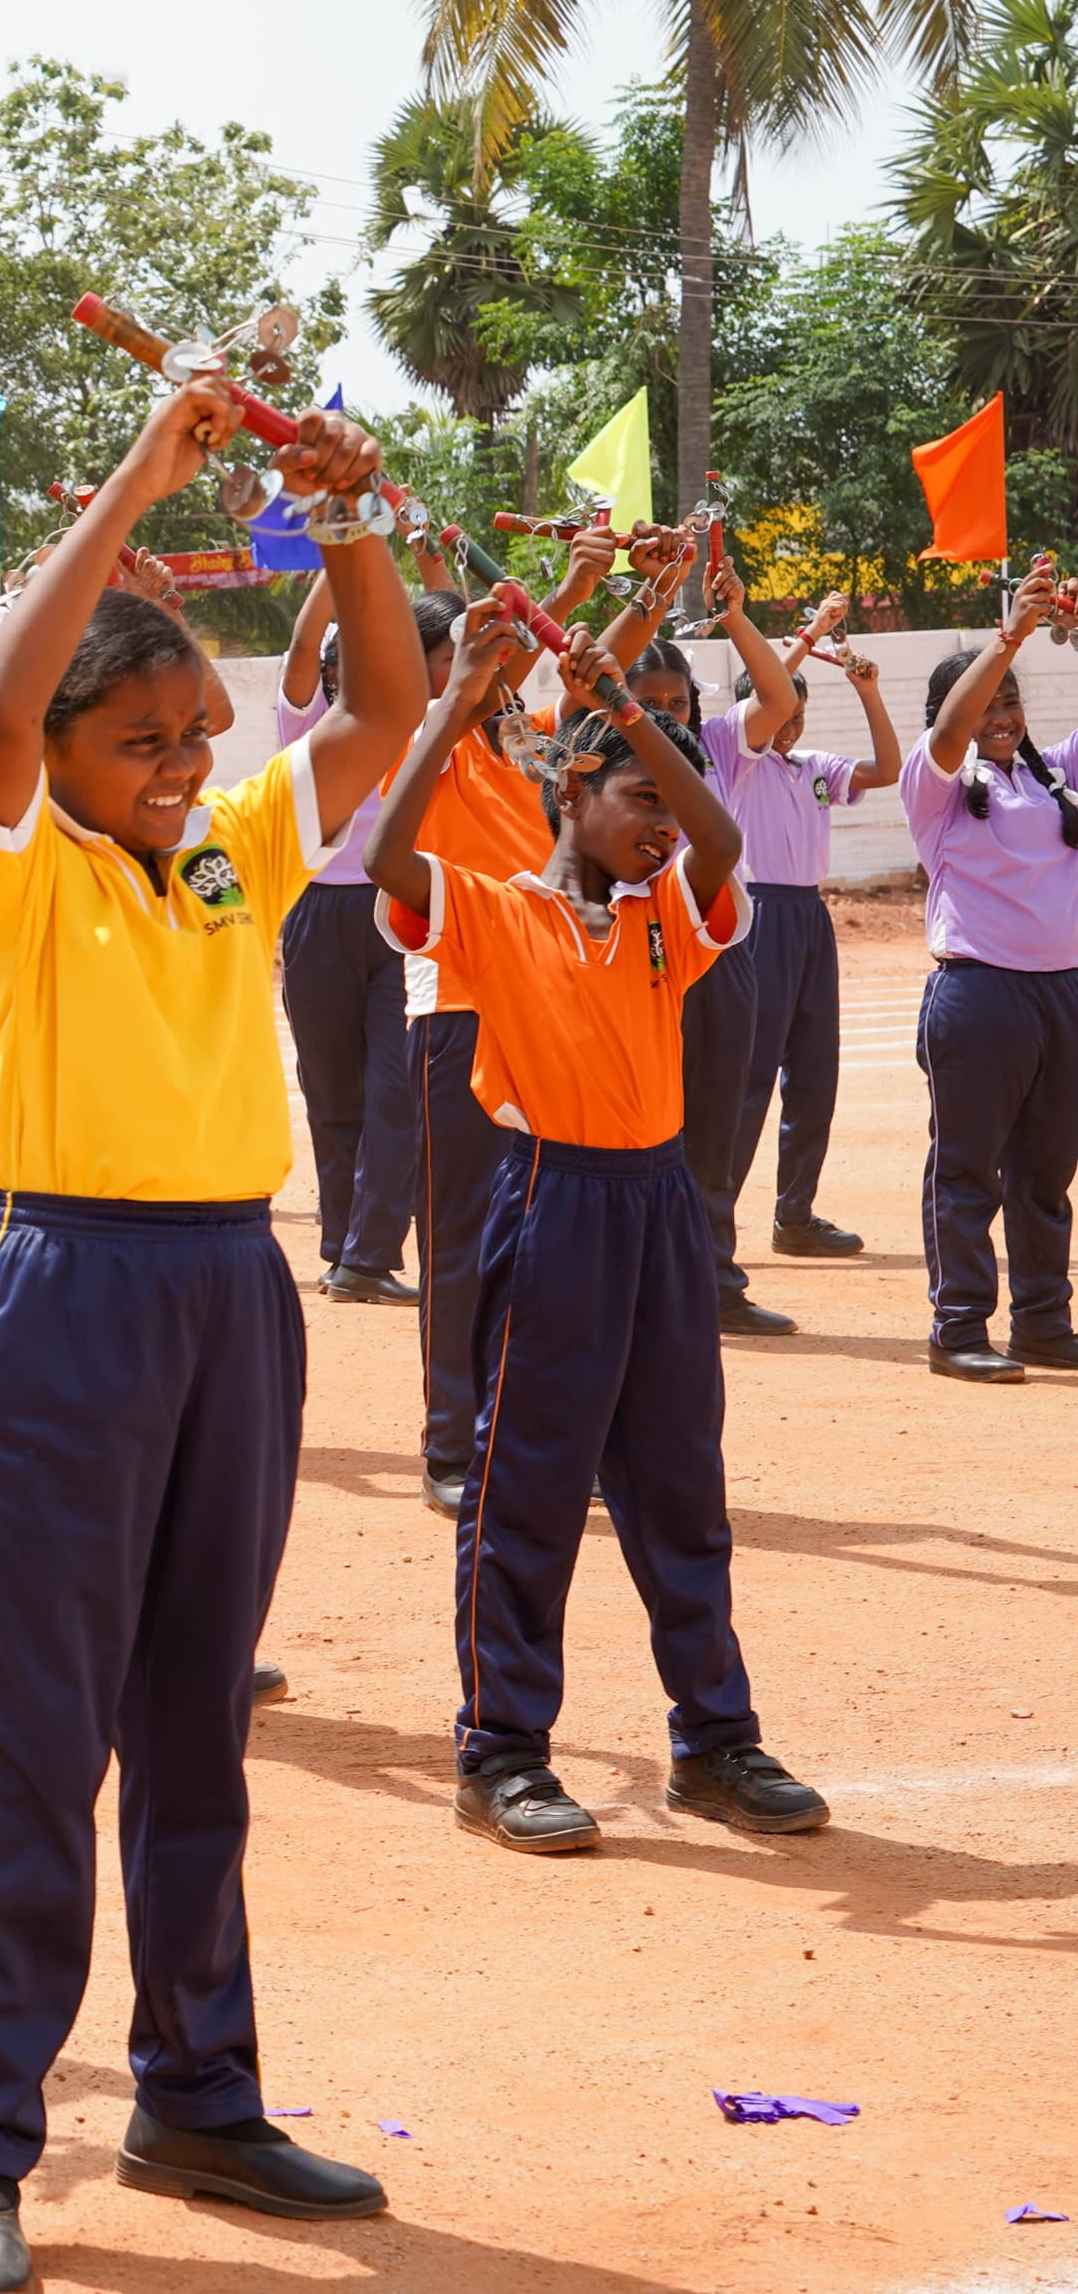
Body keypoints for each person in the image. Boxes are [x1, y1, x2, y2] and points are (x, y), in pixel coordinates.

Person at [0, 372, 412, 2294]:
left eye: (202, 729)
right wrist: (148, 473)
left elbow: (368, 710)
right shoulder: (10, 866)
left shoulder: (226, 858)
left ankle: (199, 2091)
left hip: (230, 1290)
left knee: (196, 1713)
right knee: (35, 1730)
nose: (189, 761)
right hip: (66, 1290)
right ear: (69, 743)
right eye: (146, 738)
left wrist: (347, 508)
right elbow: (3, 708)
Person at [368, 605, 829, 1857]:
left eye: (668, 817)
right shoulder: (496, 908)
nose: (663, 831)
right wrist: (461, 698)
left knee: (682, 1486)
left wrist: (634, 707)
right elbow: (388, 854)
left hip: (659, 1211)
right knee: (526, 1486)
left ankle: (715, 1743)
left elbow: (723, 833)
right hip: (551, 1203)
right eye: (637, 802)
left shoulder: (662, 920)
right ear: (570, 791)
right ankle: (503, 1751)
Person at [401, 526, 670, 1519]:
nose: (487, 662)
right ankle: (450, 1443)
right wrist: (479, 668)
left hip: (557, 1003)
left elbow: (597, 676)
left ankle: (546, 1431)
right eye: (461, 653)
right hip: (462, 1008)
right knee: (462, 1240)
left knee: (556, 1232)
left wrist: (640, 591)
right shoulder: (421, 748)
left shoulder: (526, 739)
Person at [597, 560, 803, 1336]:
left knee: (717, 1119)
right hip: (629, 953)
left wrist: (736, 618)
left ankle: (712, 1278)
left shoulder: (718, 741)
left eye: (675, 702)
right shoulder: (602, 750)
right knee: (639, 1118)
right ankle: (640, 1279)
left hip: (717, 951)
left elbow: (779, 699)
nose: (662, 716)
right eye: (644, 704)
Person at [901, 570, 1078, 1382]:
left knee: (1048, 1169)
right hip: (979, 995)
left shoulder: (1054, 775)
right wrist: (1009, 634)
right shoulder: (934, 787)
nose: (1001, 718)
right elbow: (950, 729)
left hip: (1062, 992)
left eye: (1013, 703)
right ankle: (959, 1324)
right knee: (967, 1166)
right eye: (986, 706)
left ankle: (1042, 1321)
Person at [271, 579, 458, 1304]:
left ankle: (371, 1252)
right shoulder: (305, 726)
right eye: (334, 668)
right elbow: (299, 643)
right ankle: (343, 1249)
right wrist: (333, 559)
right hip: (317, 917)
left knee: (395, 1090)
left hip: (396, 913)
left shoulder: (411, 722)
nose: (346, 677)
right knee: (331, 1091)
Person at [714, 600, 896, 1262]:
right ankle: (711, 1217)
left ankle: (796, 1213)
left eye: (799, 715)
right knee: (750, 1073)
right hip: (759, 915)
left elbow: (888, 769)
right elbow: (769, 697)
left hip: (808, 917)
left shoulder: (814, 766)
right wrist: (810, 635)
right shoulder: (744, 761)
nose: (789, 724)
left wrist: (869, 690)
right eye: (779, 713)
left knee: (815, 1070)